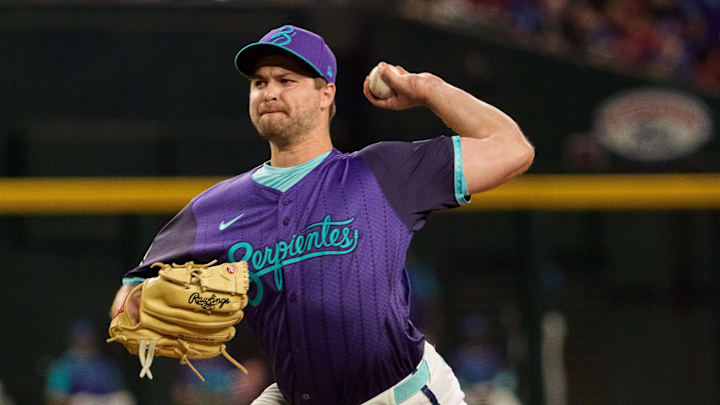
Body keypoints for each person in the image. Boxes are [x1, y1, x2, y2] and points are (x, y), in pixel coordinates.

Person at [109, 24, 534, 405]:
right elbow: (128, 300)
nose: (269, 91)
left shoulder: (382, 172)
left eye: (286, 80)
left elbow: (513, 149)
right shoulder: (214, 208)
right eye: (259, 82)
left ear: (325, 92)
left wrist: (427, 88)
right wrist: (153, 305)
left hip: (400, 395)